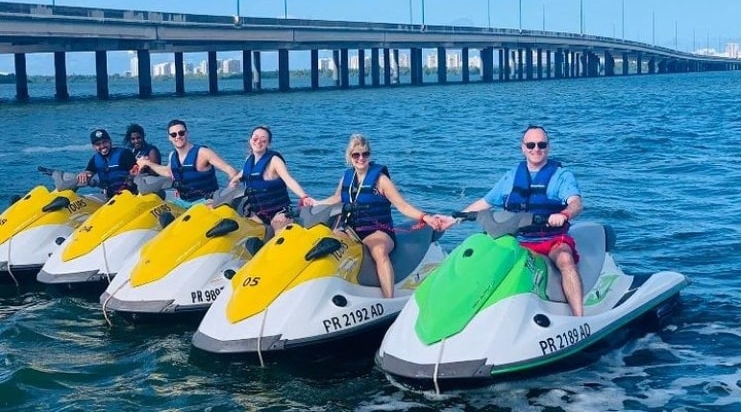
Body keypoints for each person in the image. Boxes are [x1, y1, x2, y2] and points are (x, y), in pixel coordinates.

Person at [440, 125, 585, 316]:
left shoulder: (561, 176)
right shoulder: (511, 176)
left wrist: (564, 215)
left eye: (541, 144)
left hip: (551, 240)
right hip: (517, 240)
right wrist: (453, 219)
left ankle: (578, 316)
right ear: (523, 148)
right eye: (531, 145)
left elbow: (576, 203)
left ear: (548, 147)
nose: (536, 149)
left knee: (566, 260)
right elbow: (486, 202)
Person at [315, 134, 443, 299]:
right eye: (356, 155)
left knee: (379, 251)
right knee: (328, 243)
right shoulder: (347, 177)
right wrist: (315, 203)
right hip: (351, 231)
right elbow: (336, 198)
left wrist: (425, 218)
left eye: (365, 154)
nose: (361, 158)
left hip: (378, 232)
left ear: (369, 155)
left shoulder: (380, 180)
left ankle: (388, 298)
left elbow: (402, 205)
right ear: (350, 156)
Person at [228, 125, 315, 233]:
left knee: (277, 230)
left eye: (263, 140)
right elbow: (244, 174)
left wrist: (304, 197)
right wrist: (233, 182)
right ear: (250, 140)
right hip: (257, 214)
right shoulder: (249, 160)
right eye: (255, 138)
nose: (258, 142)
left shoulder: (274, 160)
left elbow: (288, 179)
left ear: (268, 144)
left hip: (279, 213)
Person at [137, 119, 238, 208]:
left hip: (205, 203)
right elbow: (168, 172)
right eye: (173, 134)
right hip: (182, 203)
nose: (178, 137)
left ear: (187, 133)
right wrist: (148, 163)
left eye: (181, 133)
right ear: (169, 138)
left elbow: (230, 170)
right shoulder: (173, 155)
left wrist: (225, 195)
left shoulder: (202, 153)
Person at [76, 128, 138, 199]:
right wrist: (84, 174)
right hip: (109, 196)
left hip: (130, 194)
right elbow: (89, 171)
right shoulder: (95, 159)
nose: (102, 146)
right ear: (94, 147)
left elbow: (136, 173)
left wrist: (130, 180)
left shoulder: (125, 154)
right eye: (98, 144)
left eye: (105, 142)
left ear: (110, 141)